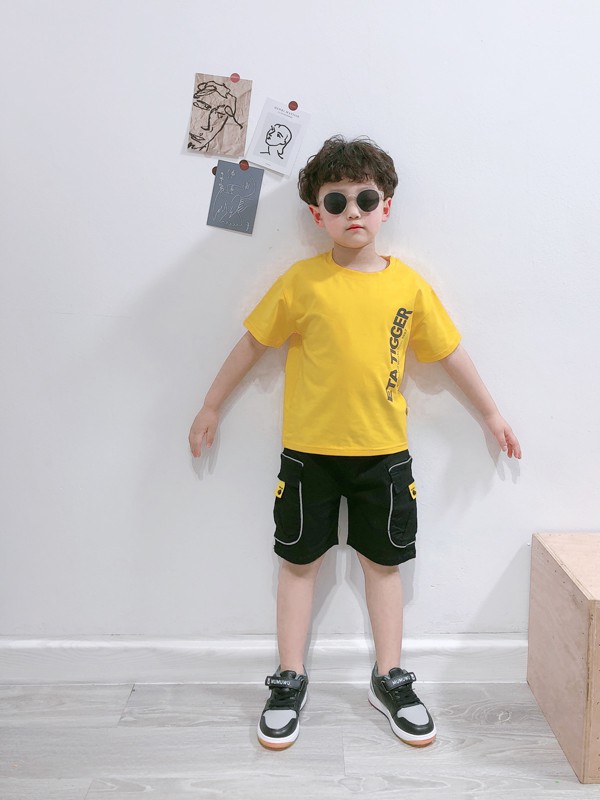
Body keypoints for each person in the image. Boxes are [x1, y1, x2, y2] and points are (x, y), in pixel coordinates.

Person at [188, 135, 521, 751]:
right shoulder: (301, 282)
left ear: (386, 205)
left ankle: (389, 676)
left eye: (366, 199)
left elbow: (449, 353)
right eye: (336, 201)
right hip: (308, 455)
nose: (353, 212)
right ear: (317, 214)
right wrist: (211, 405)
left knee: (384, 566)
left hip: (383, 456)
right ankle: (289, 677)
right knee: (298, 564)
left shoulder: (408, 287)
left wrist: (491, 413)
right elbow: (253, 343)